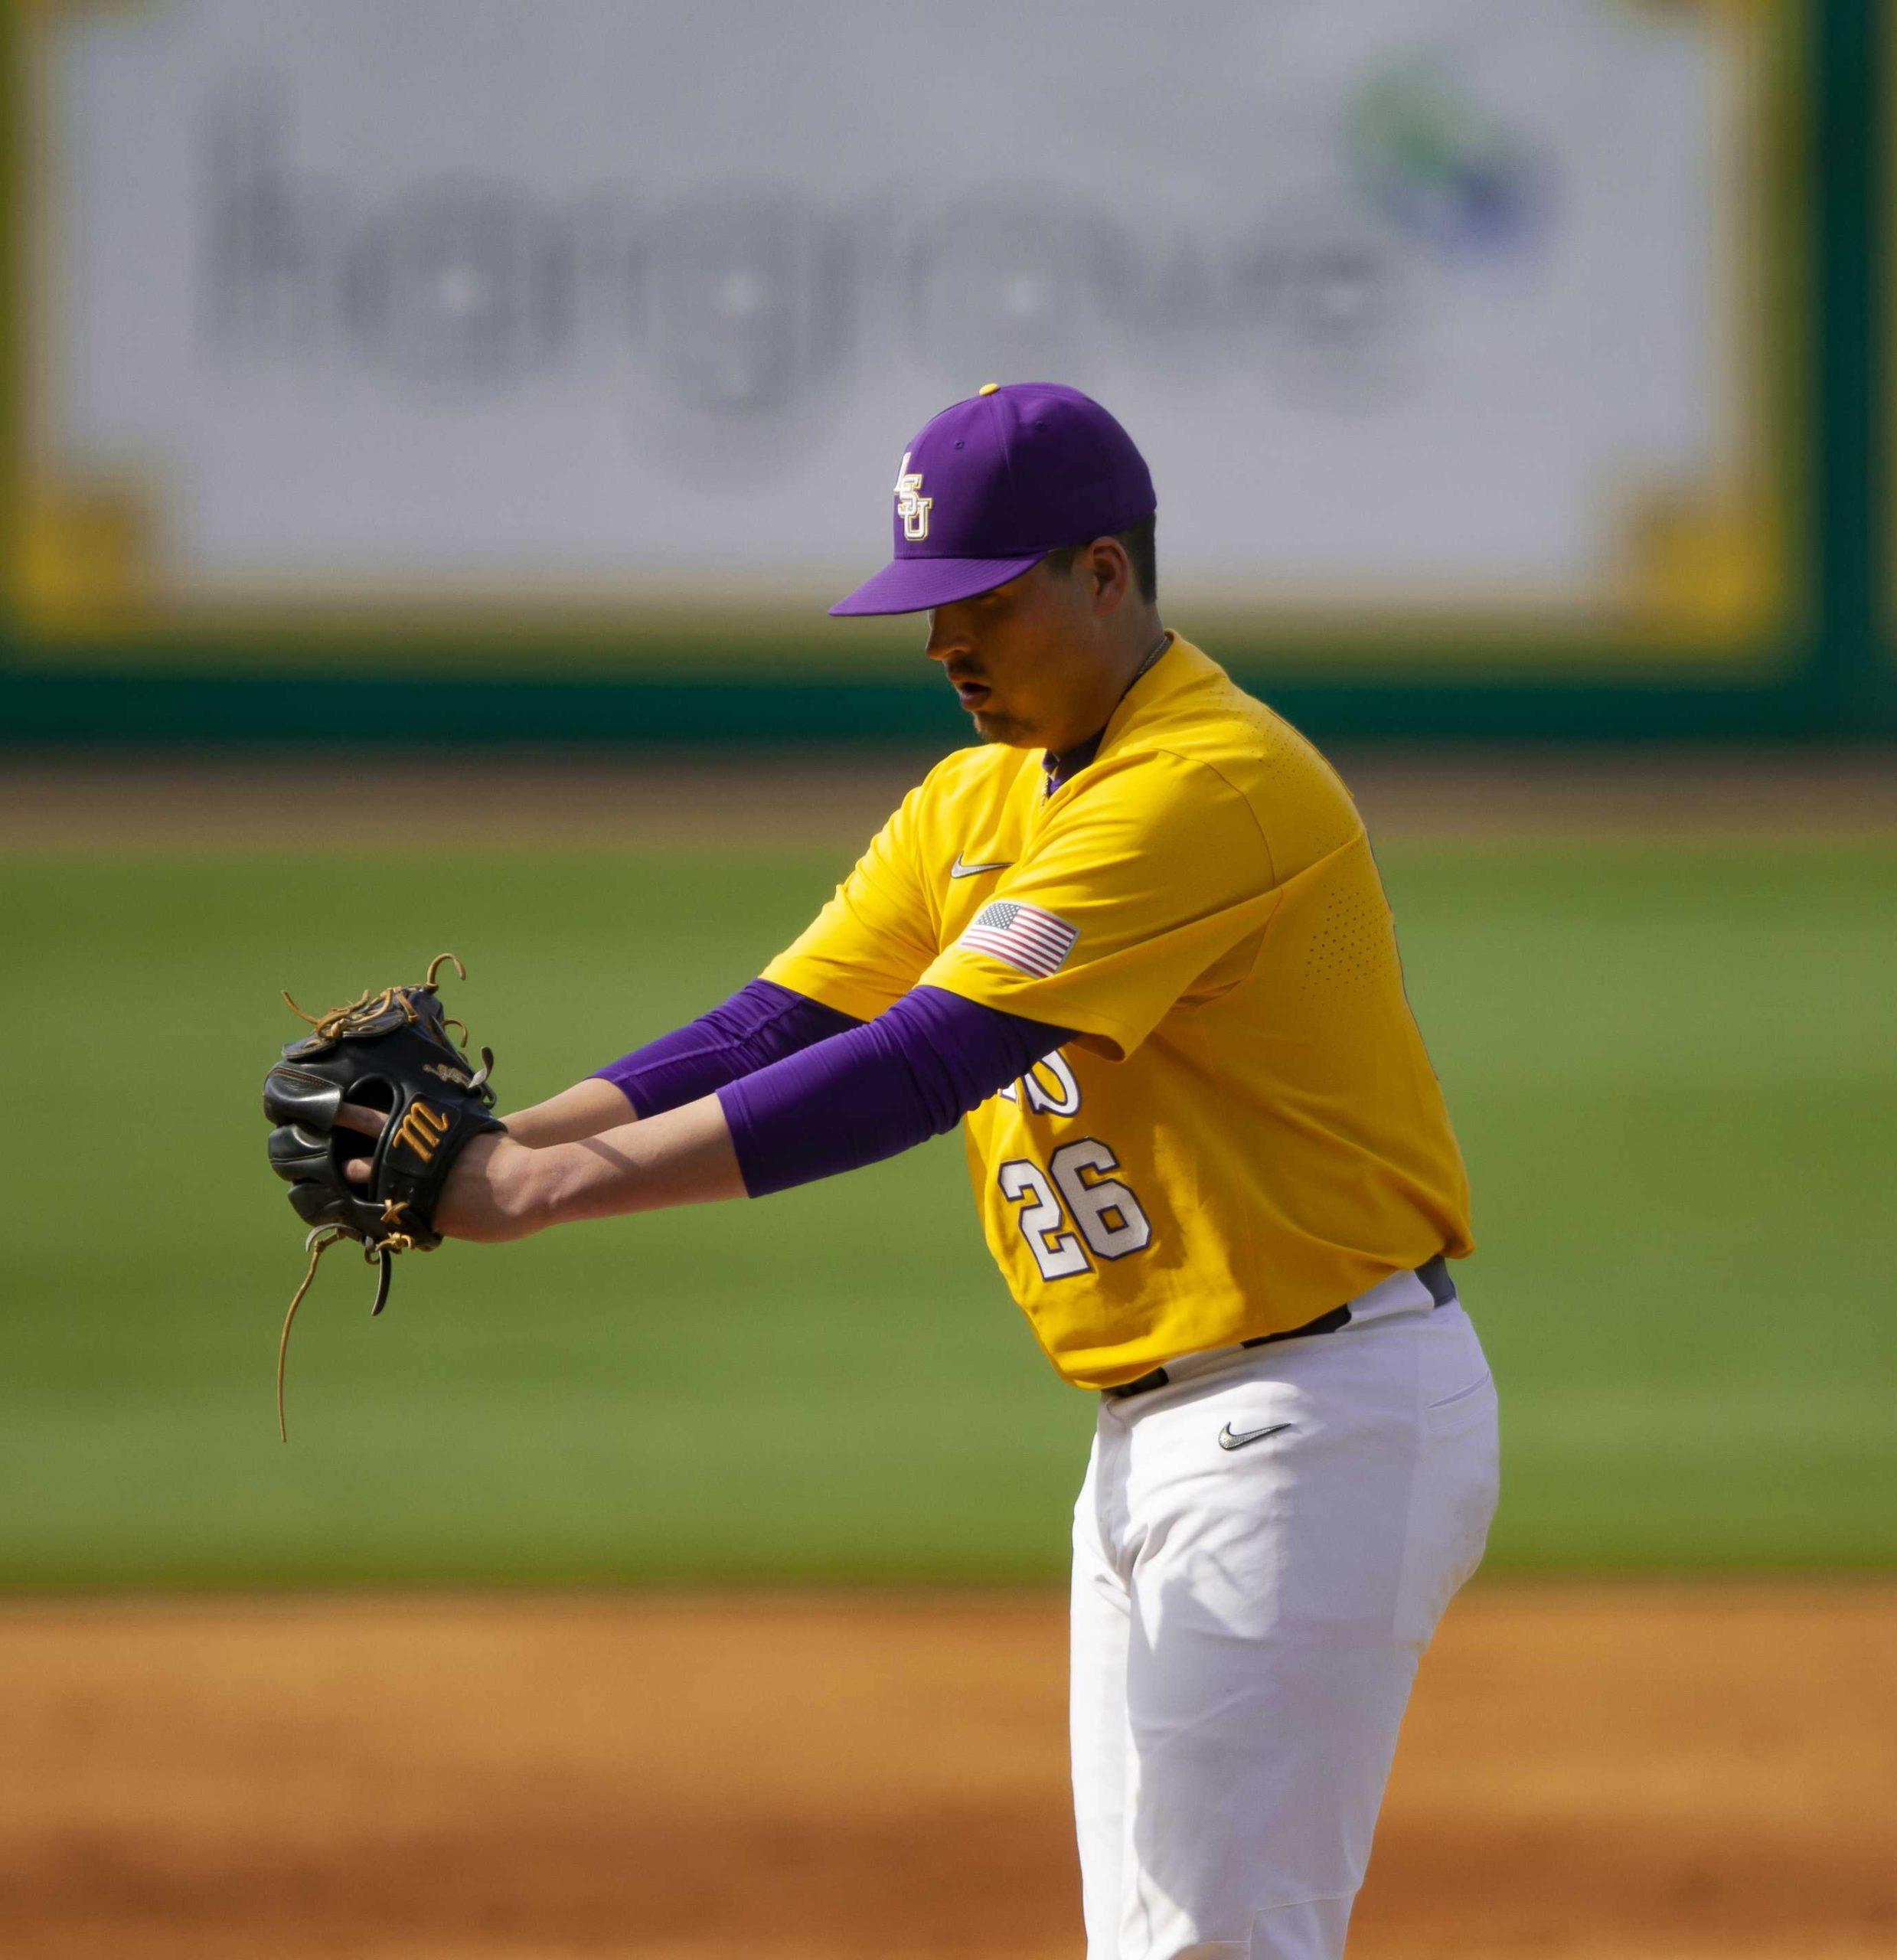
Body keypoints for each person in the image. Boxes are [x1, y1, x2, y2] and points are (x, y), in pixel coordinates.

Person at [341, 381, 1500, 1960]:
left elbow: (922, 1059)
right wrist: (498, 1142)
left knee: (1213, 1948)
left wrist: (531, 1194)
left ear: (1106, 574)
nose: (944, 645)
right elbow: (776, 1023)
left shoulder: (1204, 784)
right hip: (1170, 1429)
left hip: (1311, 1421)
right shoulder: (977, 797)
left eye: (979, 601)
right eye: (923, 609)